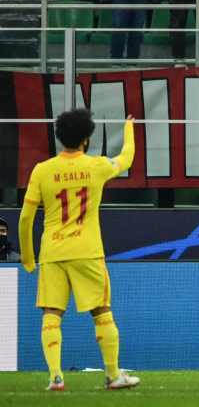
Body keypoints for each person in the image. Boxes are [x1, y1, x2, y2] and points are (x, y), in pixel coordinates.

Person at [17, 109, 139, 391]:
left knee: (51, 313)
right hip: (87, 250)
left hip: (52, 252)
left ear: (59, 137)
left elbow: (25, 217)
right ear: (86, 138)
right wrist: (129, 128)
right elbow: (127, 158)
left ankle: (56, 377)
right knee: (101, 311)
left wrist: (27, 254)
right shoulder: (96, 166)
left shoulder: (42, 170)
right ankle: (112, 375)